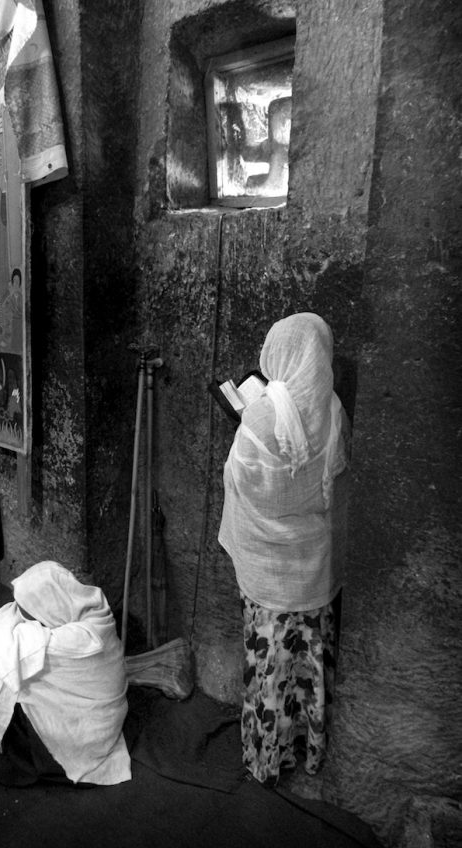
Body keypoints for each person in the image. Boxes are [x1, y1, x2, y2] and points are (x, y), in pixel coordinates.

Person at [218, 312, 351, 786]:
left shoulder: (259, 415)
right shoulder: (333, 409)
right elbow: (333, 474)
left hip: (267, 570)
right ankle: (309, 752)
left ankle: (267, 759)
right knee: (308, 664)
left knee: (270, 667)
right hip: (312, 566)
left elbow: (238, 477)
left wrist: (246, 416)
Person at [0, 560, 131, 787]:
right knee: (11, 672)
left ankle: (42, 759)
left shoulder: (75, 640)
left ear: (49, 608)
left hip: (87, 733)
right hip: (101, 717)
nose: (15, 613)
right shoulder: (91, 607)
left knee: (10, 679)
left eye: (27, 614)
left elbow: (5, 641)